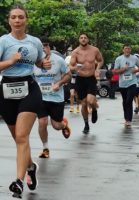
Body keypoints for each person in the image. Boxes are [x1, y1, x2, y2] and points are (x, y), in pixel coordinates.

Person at [0, 4, 51, 198]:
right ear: (9, 20)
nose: (17, 20)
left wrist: (43, 64)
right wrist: (10, 62)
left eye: (21, 17)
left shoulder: (34, 42)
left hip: (29, 89)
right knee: (19, 140)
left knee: (22, 137)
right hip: (6, 91)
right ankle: (30, 167)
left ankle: (18, 182)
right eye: (13, 17)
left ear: (26, 19)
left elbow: (39, 62)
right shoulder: (3, 42)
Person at [33, 37, 71, 159]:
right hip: (41, 98)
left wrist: (59, 83)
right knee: (42, 123)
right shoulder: (33, 63)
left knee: (56, 126)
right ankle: (45, 149)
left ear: (49, 47)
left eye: (46, 46)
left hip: (56, 98)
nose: (44, 48)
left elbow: (68, 75)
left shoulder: (59, 60)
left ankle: (64, 125)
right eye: (41, 46)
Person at [70, 33, 104, 134]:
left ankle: (94, 109)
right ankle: (86, 124)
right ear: (79, 40)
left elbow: (100, 60)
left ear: (88, 39)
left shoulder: (94, 50)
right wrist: (75, 68)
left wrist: (97, 69)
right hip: (80, 79)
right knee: (84, 104)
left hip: (91, 78)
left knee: (91, 101)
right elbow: (71, 67)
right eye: (81, 38)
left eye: (85, 38)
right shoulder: (75, 52)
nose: (83, 39)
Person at [114, 44, 139, 126]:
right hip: (122, 83)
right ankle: (126, 118)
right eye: (125, 49)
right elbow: (115, 71)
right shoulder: (119, 59)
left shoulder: (135, 58)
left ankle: (129, 119)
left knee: (129, 100)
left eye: (128, 49)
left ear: (130, 50)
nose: (127, 50)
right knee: (125, 101)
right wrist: (123, 69)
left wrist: (136, 71)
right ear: (123, 50)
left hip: (132, 82)